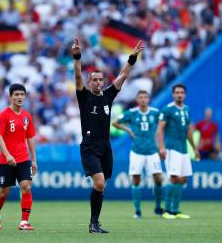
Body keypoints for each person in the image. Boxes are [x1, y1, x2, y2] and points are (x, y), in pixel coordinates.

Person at [72, 38, 144, 233]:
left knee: (101, 187)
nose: (97, 82)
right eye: (93, 79)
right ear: (89, 82)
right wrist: (77, 56)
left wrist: (133, 57)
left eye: (100, 79)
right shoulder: (84, 96)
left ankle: (94, 223)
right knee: (100, 182)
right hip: (89, 146)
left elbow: (123, 75)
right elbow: (78, 75)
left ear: (103, 81)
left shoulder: (108, 96)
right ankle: (93, 223)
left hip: (105, 146)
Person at [0, 83, 37, 230]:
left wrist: (34, 160)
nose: (19, 97)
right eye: (16, 95)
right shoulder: (4, 114)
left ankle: (24, 222)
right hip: (6, 160)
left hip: (23, 158)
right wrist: (7, 154)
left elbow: (30, 138)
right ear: (10, 97)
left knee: (26, 186)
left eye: (22, 94)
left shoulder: (27, 116)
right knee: (4, 192)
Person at [112, 90, 163, 219]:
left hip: (152, 150)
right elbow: (115, 123)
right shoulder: (132, 113)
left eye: (145, 97)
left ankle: (158, 207)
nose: (143, 99)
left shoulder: (155, 112)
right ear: (137, 99)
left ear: (149, 99)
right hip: (137, 151)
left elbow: (163, 125)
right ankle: (138, 211)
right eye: (140, 97)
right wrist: (128, 130)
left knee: (158, 178)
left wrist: (158, 135)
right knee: (136, 179)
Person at [156, 84, 200, 220]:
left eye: (181, 92)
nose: (179, 94)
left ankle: (175, 210)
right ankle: (166, 210)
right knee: (174, 177)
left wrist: (194, 148)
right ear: (173, 94)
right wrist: (161, 147)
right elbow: (160, 129)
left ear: (185, 94)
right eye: (177, 92)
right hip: (171, 148)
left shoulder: (186, 109)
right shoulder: (167, 109)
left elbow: (188, 131)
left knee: (183, 178)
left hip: (183, 149)